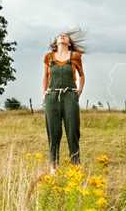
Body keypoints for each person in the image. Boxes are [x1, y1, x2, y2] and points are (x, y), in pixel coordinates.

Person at [42, 30, 85, 173]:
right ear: (56, 41)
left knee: (73, 131)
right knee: (53, 132)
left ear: (69, 42)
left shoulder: (75, 56)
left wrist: (78, 91)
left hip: (70, 96)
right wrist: (44, 93)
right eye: (59, 35)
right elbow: (45, 76)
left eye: (65, 36)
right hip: (52, 97)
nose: (62, 36)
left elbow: (82, 75)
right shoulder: (49, 57)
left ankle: (75, 165)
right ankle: (54, 167)